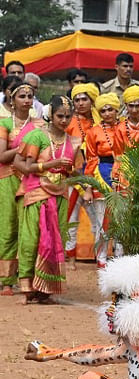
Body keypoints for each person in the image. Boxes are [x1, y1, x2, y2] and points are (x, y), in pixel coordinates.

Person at [12, 95, 75, 304]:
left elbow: (76, 170)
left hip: (60, 195)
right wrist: (49, 165)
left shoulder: (71, 140)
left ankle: (45, 289)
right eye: (59, 116)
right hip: (37, 192)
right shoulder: (37, 136)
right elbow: (21, 164)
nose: (64, 120)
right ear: (50, 114)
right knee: (33, 240)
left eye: (67, 116)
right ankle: (28, 286)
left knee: (57, 240)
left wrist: (74, 175)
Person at [0, 80, 46, 292]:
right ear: (12, 99)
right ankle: (7, 280)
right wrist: (23, 146)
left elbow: (44, 151)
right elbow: (1, 156)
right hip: (8, 178)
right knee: (8, 227)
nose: (27, 100)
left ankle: (28, 277)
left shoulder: (39, 124)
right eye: (22, 96)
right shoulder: (4, 123)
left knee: (30, 227)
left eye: (30, 96)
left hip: (31, 178)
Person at [81, 93, 124, 268]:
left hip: (123, 174)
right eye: (103, 110)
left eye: (110, 109)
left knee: (120, 220)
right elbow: (90, 160)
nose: (107, 113)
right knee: (102, 219)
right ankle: (102, 259)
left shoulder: (125, 128)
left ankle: (120, 258)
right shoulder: (93, 132)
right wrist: (89, 188)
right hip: (102, 174)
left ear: (116, 110)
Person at [64, 82, 98, 265]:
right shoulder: (69, 123)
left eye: (84, 99)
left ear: (92, 100)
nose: (80, 103)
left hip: (95, 178)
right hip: (73, 177)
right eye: (76, 99)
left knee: (97, 219)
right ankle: (70, 258)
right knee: (71, 218)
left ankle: (100, 256)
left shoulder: (99, 122)